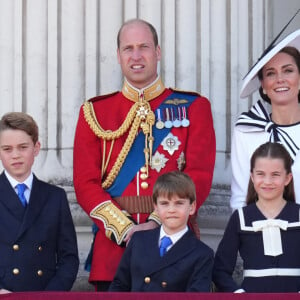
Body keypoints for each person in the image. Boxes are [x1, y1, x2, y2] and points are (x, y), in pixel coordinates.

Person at [73, 18, 216, 290]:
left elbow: (199, 174)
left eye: (144, 47)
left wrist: (156, 222)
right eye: (128, 48)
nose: (136, 56)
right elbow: (84, 183)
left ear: (158, 52)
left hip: (174, 251)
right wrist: (125, 231)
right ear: (118, 56)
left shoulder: (194, 107)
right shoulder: (94, 113)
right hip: (114, 253)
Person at [0, 112, 79, 293]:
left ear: (36, 148)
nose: (15, 155)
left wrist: (50, 295)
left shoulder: (55, 197)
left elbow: (69, 257)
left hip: (44, 294)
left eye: (23, 147)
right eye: (7, 149)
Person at [213, 142, 300, 293]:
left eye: (275, 175)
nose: (267, 181)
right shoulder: (240, 218)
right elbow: (220, 270)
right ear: (252, 177)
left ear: (287, 178)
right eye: (260, 174)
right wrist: (238, 293)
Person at [109, 171, 214, 292]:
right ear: (156, 208)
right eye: (164, 203)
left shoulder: (202, 254)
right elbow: (119, 286)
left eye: (179, 203)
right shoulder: (138, 240)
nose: (171, 210)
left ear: (192, 207)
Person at [230, 29, 300, 211]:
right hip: (260, 232)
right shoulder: (247, 129)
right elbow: (240, 198)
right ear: (263, 85)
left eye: (288, 71)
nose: (280, 79)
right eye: (270, 73)